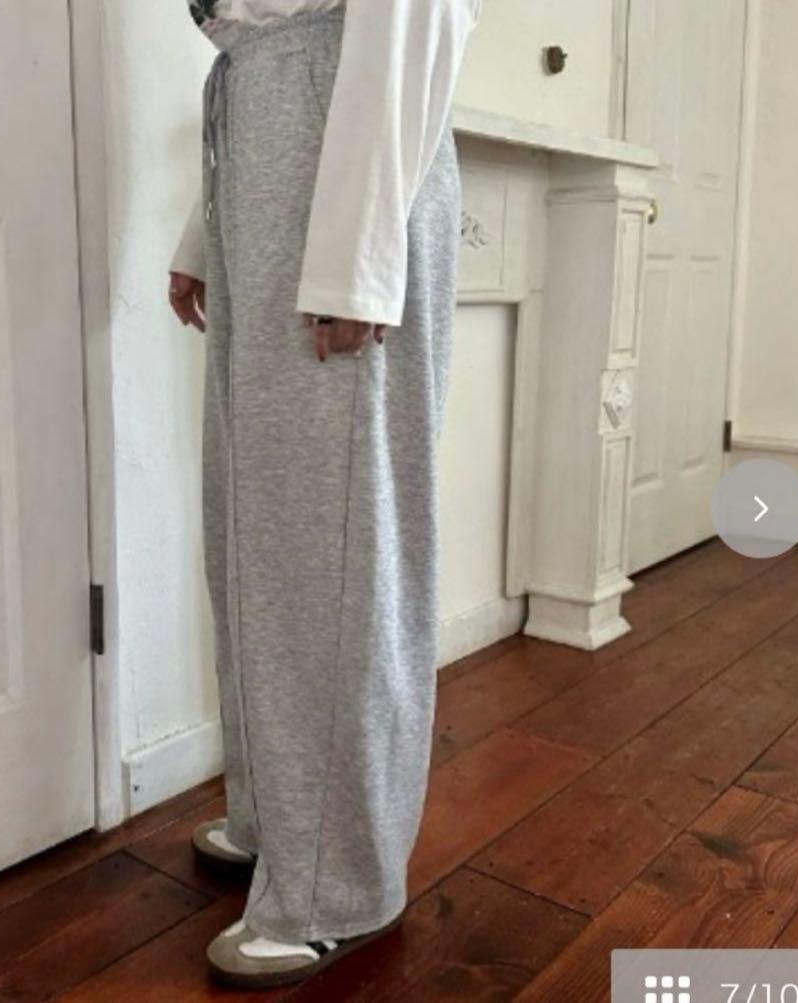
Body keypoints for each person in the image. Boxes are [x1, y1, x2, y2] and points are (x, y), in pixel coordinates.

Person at [168, 0, 483, 989]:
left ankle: (336, 883)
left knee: (336, 540)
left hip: (335, 140)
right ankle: (279, 821)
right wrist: (205, 228)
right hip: (269, 130)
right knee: (258, 522)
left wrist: (359, 259)